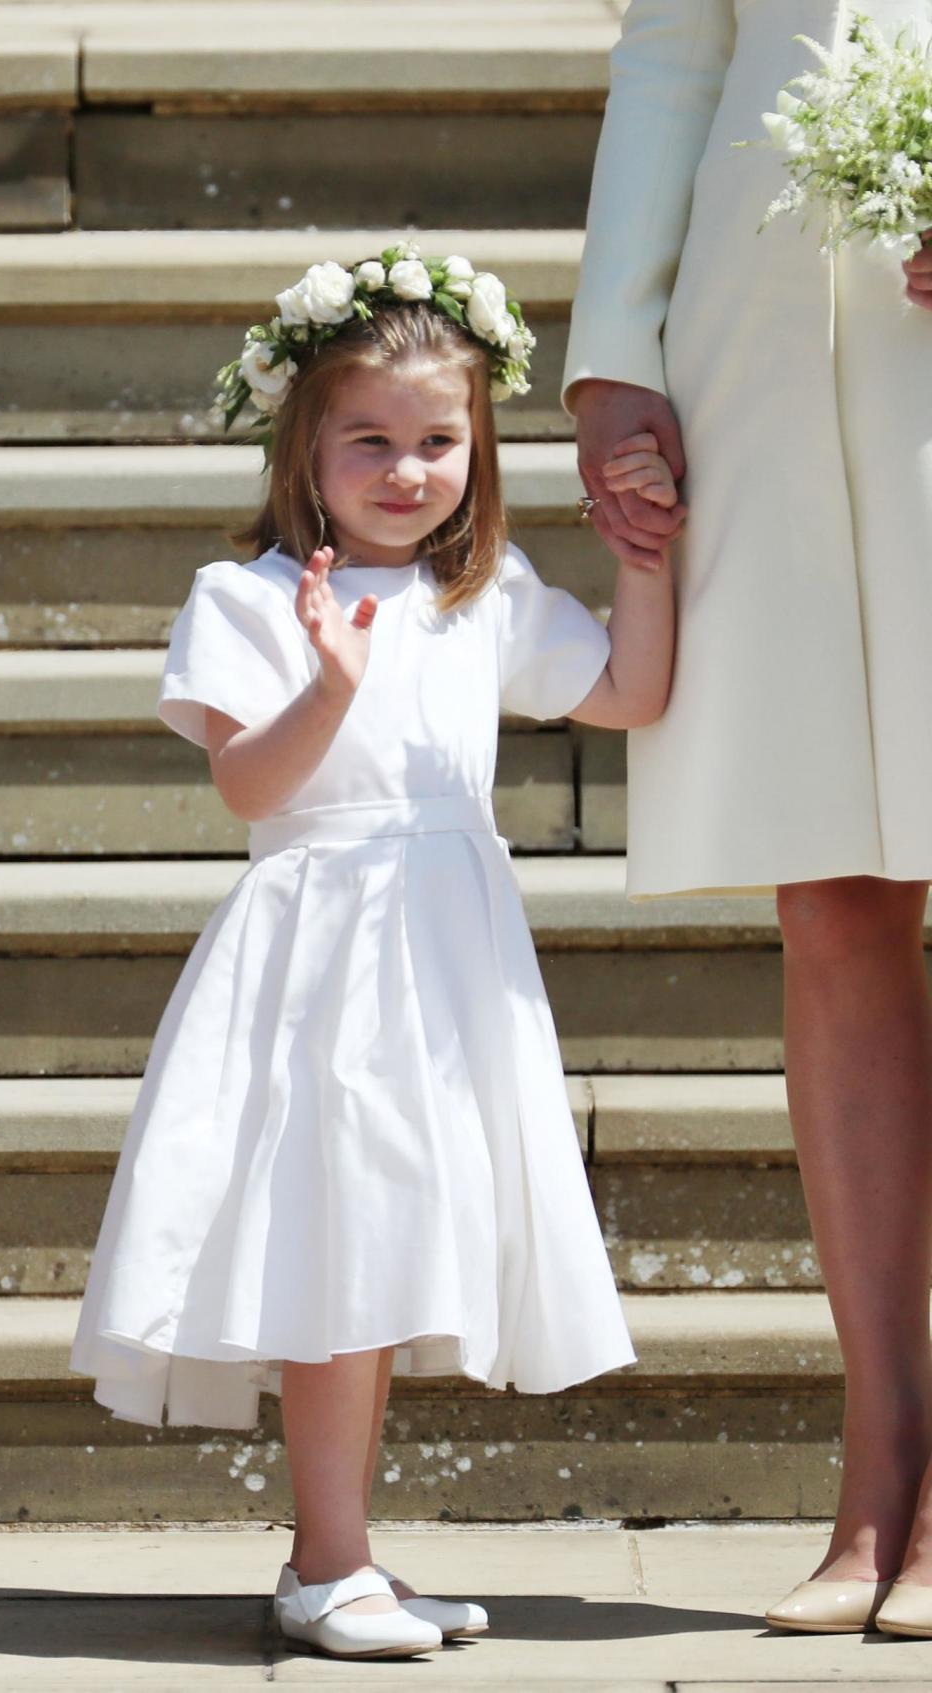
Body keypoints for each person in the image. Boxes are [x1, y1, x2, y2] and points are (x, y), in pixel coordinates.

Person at [71, 244, 678, 1661]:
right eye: (372, 441)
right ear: (308, 442)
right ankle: (324, 1559)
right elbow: (250, 791)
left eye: (438, 440)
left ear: (478, 444)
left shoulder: (490, 595)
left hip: (445, 963)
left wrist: (649, 556)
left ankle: (342, 1554)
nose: (407, 471)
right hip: (320, 957)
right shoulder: (249, 601)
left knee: (397, 1234)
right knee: (338, 1242)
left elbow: (634, 691)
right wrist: (328, 687)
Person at [564, 0, 932, 1639]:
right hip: (759, 360)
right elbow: (676, 50)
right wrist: (614, 356)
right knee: (833, 895)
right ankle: (881, 1463)